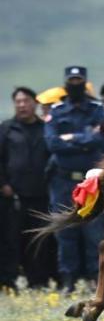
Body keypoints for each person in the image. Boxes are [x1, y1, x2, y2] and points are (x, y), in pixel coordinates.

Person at [45, 66, 104, 292]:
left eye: (79, 80)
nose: (75, 84)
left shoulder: (97, 109)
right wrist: (86, 139)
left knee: (93, 232)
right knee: (65, 231)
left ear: (84, 83)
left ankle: (95, 280)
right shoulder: (57, 111)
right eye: (72, 80)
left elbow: (101, 139)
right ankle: (68, 281)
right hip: (63, 181)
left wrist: (71, 138)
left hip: (91, 182)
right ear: (66, 83)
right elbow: (52, 144)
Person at [0, 87, 55, 289]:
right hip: (12, 196)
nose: (22, 105)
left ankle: (38, 281)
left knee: (38, 239)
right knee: (10, 240)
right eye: (18, 101)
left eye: (26, 101)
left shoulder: (45, 128)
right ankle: (7, 281)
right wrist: (3, 184)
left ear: (35, 103)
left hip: (40, 195)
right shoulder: (6, 128)